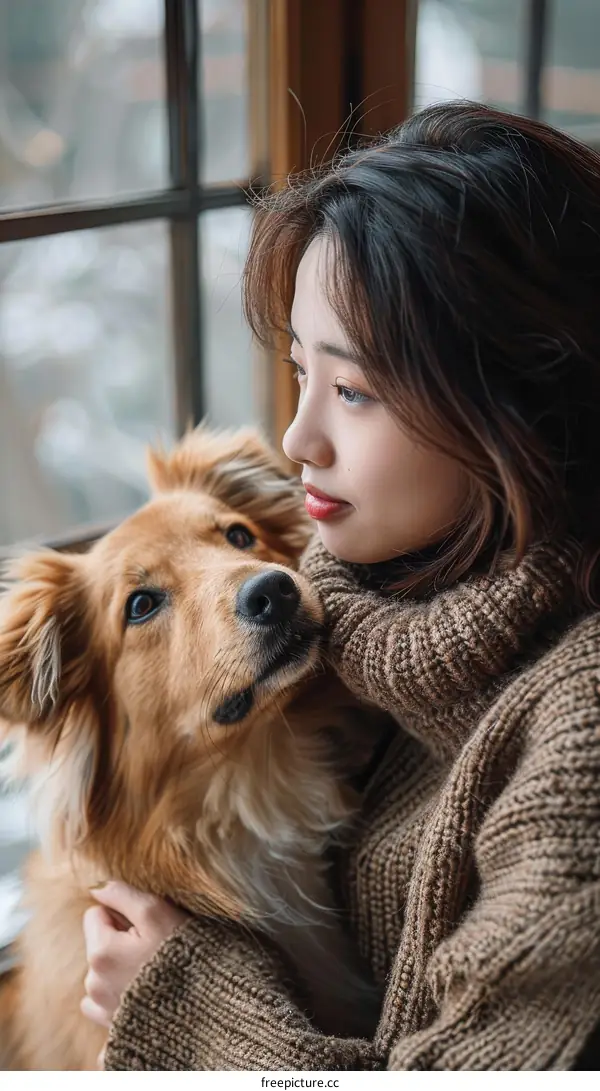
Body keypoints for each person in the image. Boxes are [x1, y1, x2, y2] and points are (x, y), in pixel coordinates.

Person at [81, 102, 600, 1071]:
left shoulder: (579, 728)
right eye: (296, 372)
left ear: (518, 403)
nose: (297, 440)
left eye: (353, 390)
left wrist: (191, 1010)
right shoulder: (374, 616)